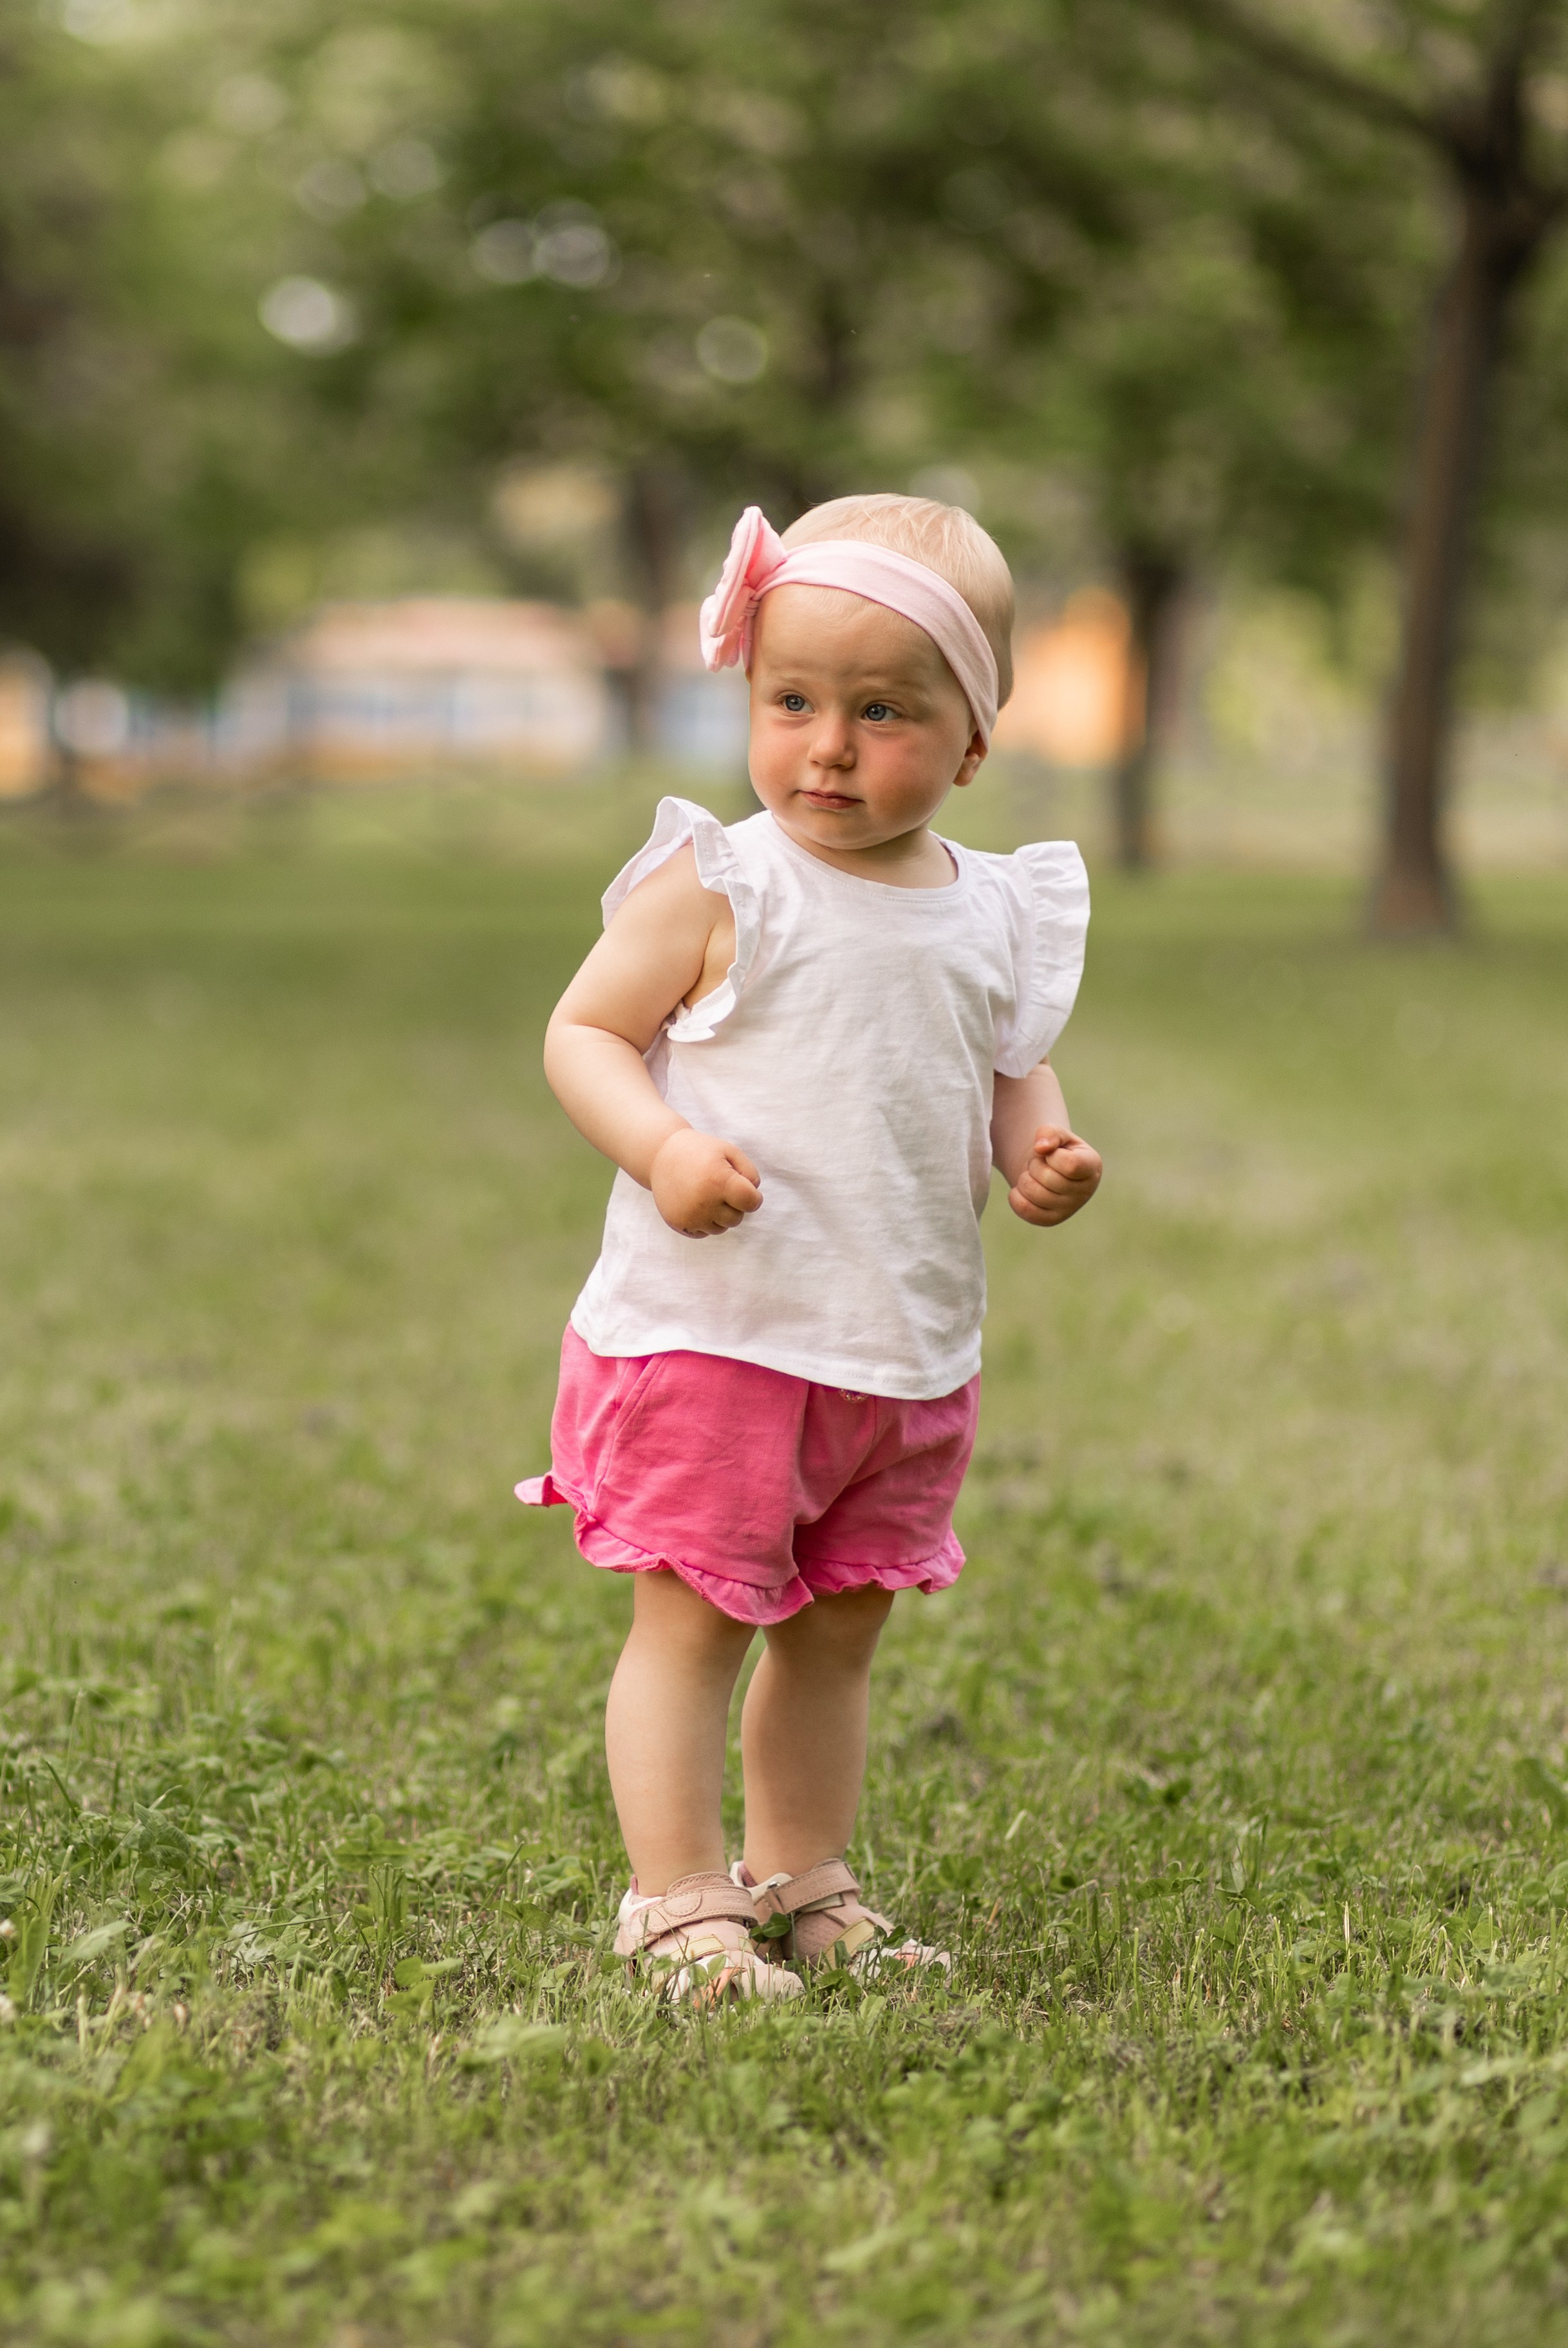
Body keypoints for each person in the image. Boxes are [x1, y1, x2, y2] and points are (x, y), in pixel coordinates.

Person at [518, 494, 1101, 2003]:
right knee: (697, 1630)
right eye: (792, 701)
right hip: (721, 1336)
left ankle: (802, 1873)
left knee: (838, 1642)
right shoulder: (726, 884)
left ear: (973, 742)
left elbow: (999, 1058)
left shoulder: (990, 911)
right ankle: (677, 1902)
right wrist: (658, 1146)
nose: (827, 748)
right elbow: (585, 1032)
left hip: (898, 1350)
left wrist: (1035, 1141)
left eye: (883, 712)